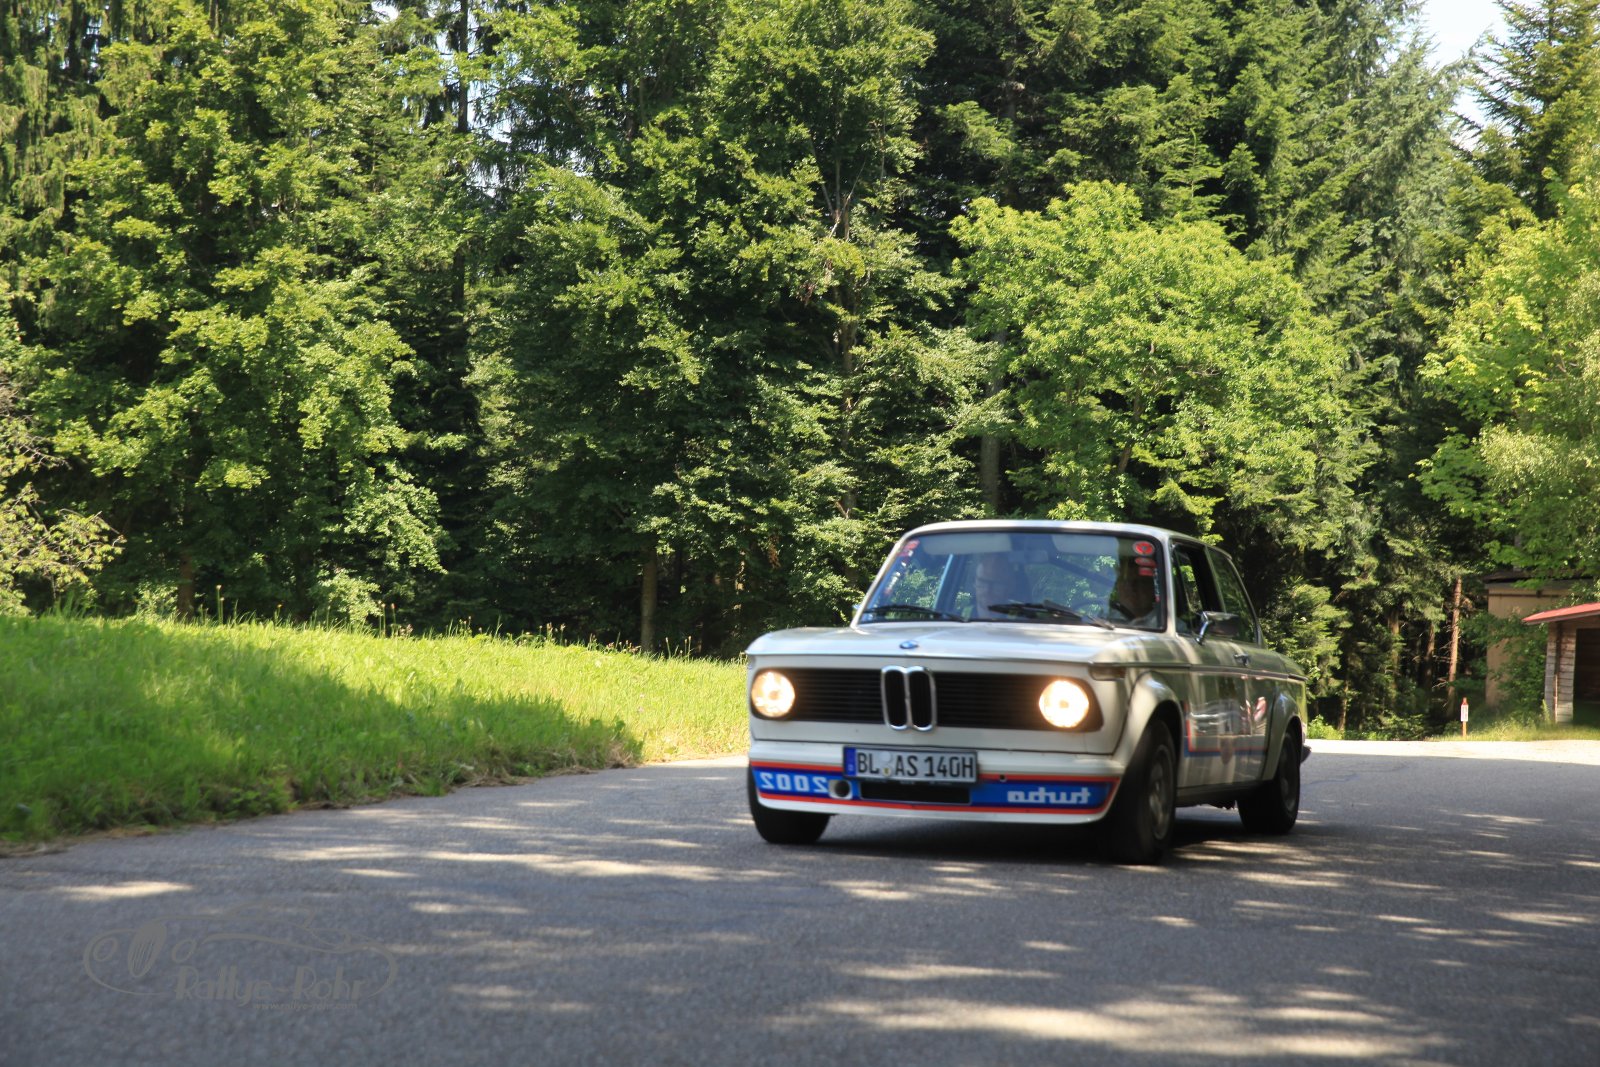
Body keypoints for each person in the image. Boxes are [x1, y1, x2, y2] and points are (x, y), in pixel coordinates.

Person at [1108, 555, 1160, 627]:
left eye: (1141, 582)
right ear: (1118, 586)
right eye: (1126, 581)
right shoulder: (1105, 618)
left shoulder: (1164, 622)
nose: (1132, 588)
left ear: (1152, 587)